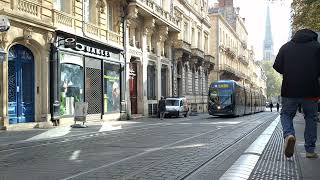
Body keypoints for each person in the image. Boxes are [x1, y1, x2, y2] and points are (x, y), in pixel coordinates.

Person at [273, 28, 320, 159]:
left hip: (289, 89)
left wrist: (288, 71)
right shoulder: (317, 47)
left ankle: (289, 135)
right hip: (311, 89)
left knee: (286, 114)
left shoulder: (286, 47)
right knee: (311, 117)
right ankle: (310, 150)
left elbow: (277, 66)